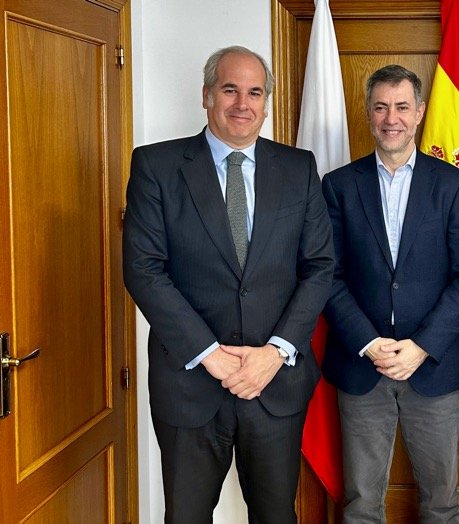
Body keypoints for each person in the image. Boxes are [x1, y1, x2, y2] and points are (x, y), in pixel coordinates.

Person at [122, 45, 334, 523]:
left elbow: (320, 267)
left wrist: (275, 352)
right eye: (230, 90)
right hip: (190, 385)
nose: (243, 103)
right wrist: (210, 355)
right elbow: (143, 268)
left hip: (274, 383)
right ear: (206, 95)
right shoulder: (157, 166)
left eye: (255, 92)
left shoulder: (298, 167)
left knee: (276, 515)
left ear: (266, 103)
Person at [320, 64, 459, 523]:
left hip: (433, 365)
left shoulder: (453, 184)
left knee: (441, 504)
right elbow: (327, 275)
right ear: (368, 113)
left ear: (420, 112)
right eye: (380, 107)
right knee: (360, 504)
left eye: (401, 107)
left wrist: (422, 346)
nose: (391, 118)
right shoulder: (338, 186)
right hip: (362, 364)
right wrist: (369, 343)